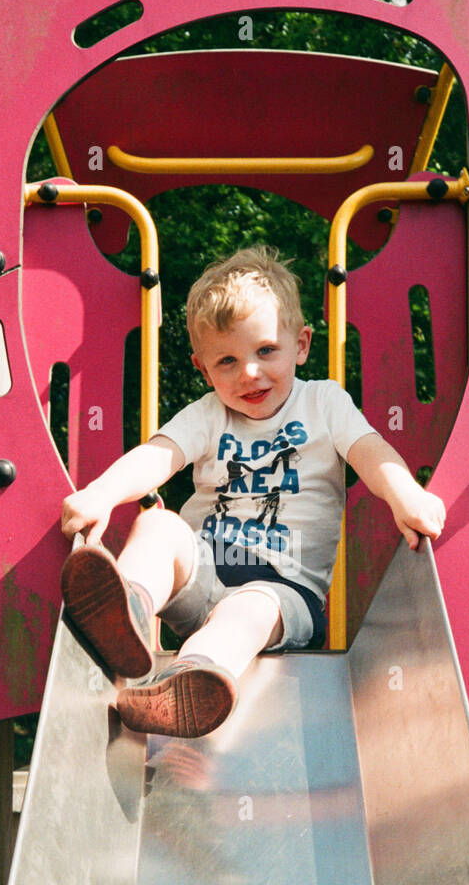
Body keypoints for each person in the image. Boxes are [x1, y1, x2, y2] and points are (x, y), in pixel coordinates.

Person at [60, 245, 445, 737]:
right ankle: (127, 610)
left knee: (247, 608)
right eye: (227, 361)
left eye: (266, 351)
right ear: (203, 369)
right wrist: (101, 492)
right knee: (157, 523)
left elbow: (369, 451)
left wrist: (405, 495)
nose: (249, 373)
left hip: (284, 592)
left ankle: (190, 682)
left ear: (301, 345)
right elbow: (159, 454)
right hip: (203, 576)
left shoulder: (322, 403)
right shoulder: (208, 413)